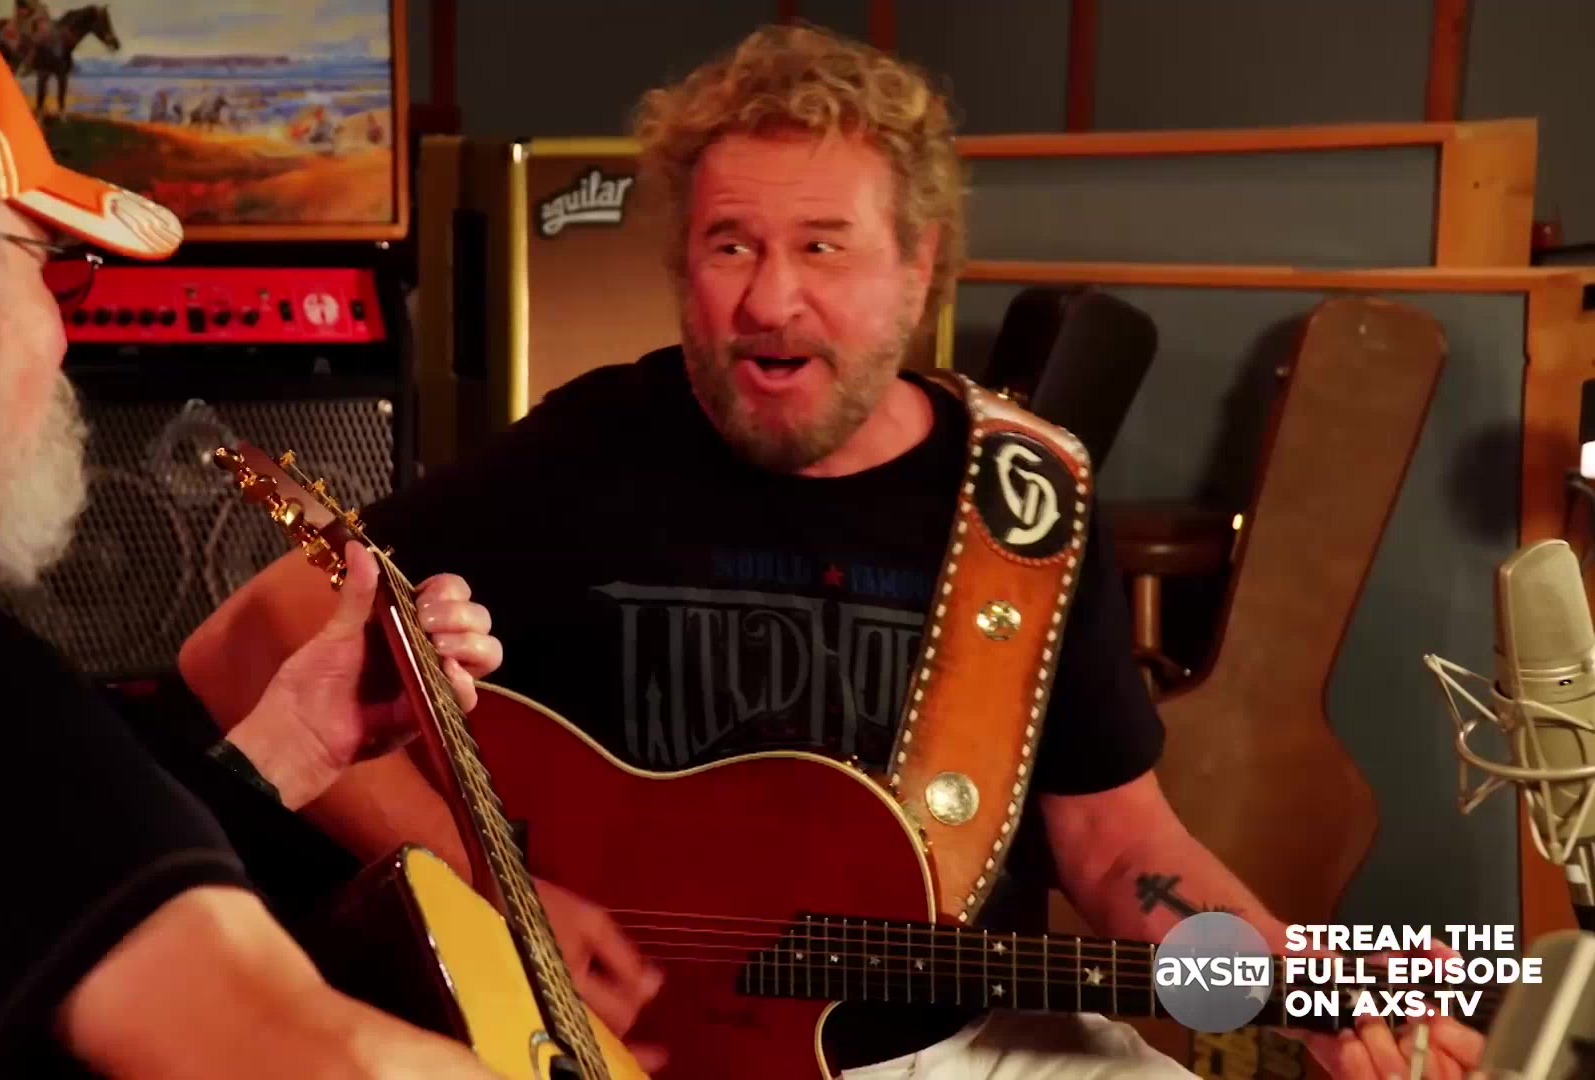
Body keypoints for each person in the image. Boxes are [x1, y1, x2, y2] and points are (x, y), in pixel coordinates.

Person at [181, 21, 1485, 1080]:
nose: (770, 298)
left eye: (823, 247)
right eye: (729, 246)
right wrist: (498, 896)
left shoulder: (1021, 503)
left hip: (964, 1043)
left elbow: (1112, 843)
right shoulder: (590, 448)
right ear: (682, 267)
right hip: (624, 1051)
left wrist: (1300, 986)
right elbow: (240, 648)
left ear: (918, 266)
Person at [0, 1, 504, 1076]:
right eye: (46, 264)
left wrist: (296, 740)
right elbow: (308, 1055)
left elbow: (8, 896)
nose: (63, 335)